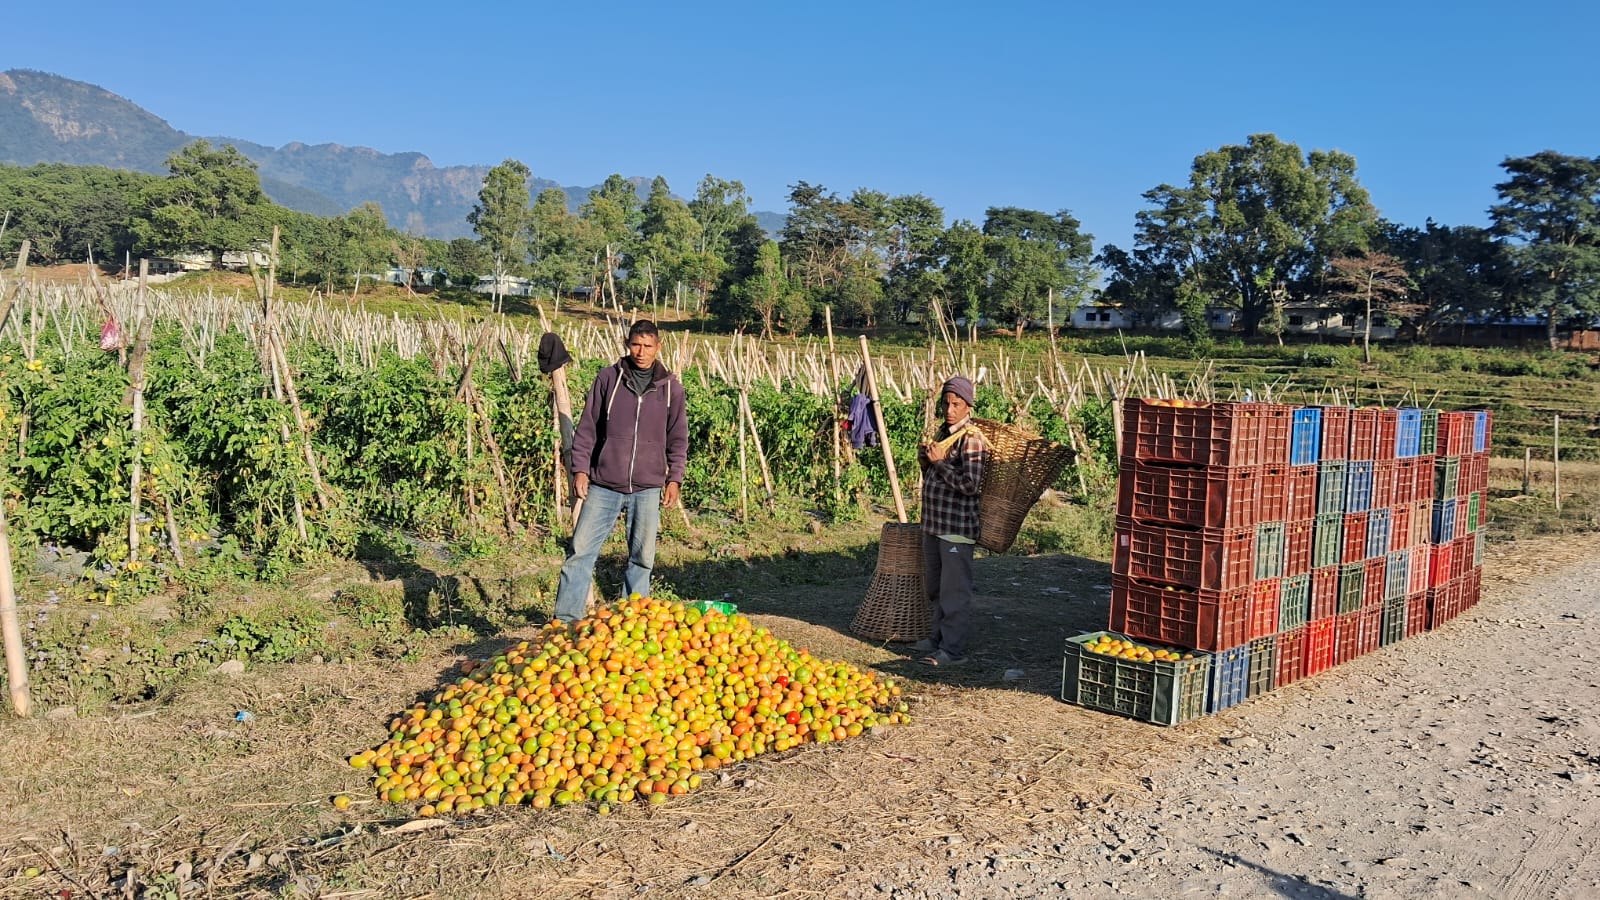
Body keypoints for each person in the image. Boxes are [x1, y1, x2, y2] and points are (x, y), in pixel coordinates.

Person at [554, 320, 688, 624]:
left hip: (648, 487)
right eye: (635, 345)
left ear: (658, 347)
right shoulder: (608, 379)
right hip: (604, 484)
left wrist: (674, 477)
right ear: (627, 344)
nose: (640, 352)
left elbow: (678, 438)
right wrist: (581, 470)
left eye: (647, 346)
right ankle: (565, 622)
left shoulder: (671, 390)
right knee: (580, 552)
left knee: (642, 558)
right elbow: (587, 428)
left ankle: (632, 622)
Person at [913, 375, 987, 666]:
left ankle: (952, 651)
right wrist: (926, 460)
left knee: (954, 591)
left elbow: (971, 485)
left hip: (956, 528)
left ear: (968, 406)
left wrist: (940, 463)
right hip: (934, 524)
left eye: (956, 404)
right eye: (946, 403)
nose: (950, 409)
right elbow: (933, 476)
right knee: (935, 587)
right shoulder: (944, 433)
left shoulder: (972, 439)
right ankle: (936, 639)